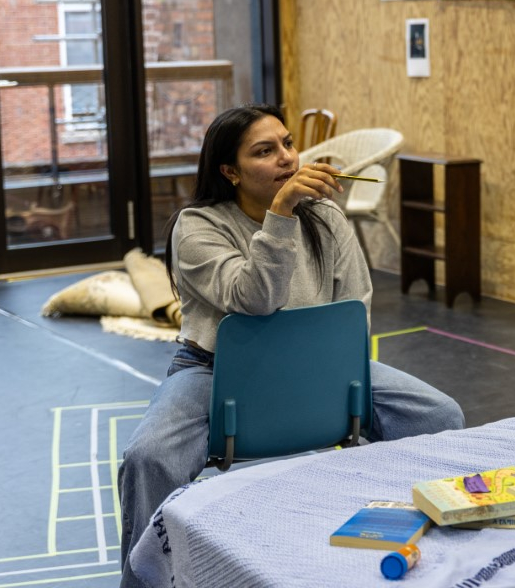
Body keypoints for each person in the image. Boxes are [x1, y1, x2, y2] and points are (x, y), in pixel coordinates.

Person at [118, 104, 464, 586]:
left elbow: (355, 309)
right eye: (265, 151)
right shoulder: (197, 226)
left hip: (320, 366)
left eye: (287, 144)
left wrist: (327, 366)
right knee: (149, 458)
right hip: (215, 370)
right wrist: (280, 215)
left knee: (439, 416)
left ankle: (421, 547)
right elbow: (252, 301)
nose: (286, 158)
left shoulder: (325, 216)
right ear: (230, 172)